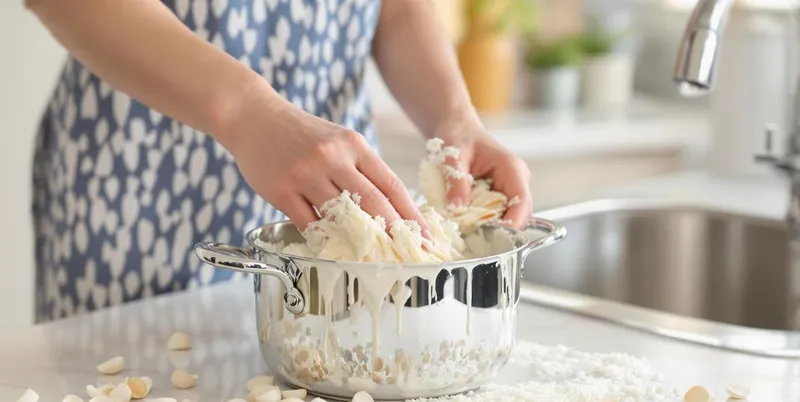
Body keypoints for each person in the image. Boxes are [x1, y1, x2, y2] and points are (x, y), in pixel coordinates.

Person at [27, 0, 533, 323]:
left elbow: (396, 9)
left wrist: (455, 118)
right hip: (140, 189)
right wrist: (250, 113)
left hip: (332, 196)